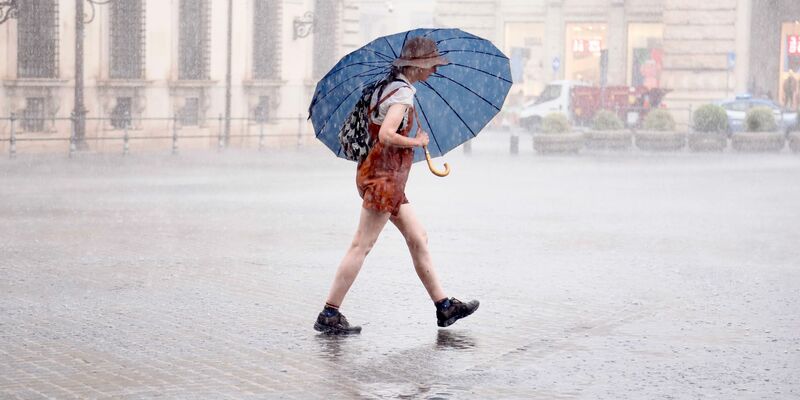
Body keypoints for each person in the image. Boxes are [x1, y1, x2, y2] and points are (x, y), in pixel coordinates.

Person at [314, 37, 480, 335]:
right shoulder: (402, 93)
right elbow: (387, 135)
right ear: (417, 66)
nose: (434, 71)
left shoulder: (386, 87)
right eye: (431, 65)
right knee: (361, 245)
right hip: (383, 179)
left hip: (382, 176)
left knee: (418, 236)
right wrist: (415, 141)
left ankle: (445, 307)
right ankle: (329, 313)